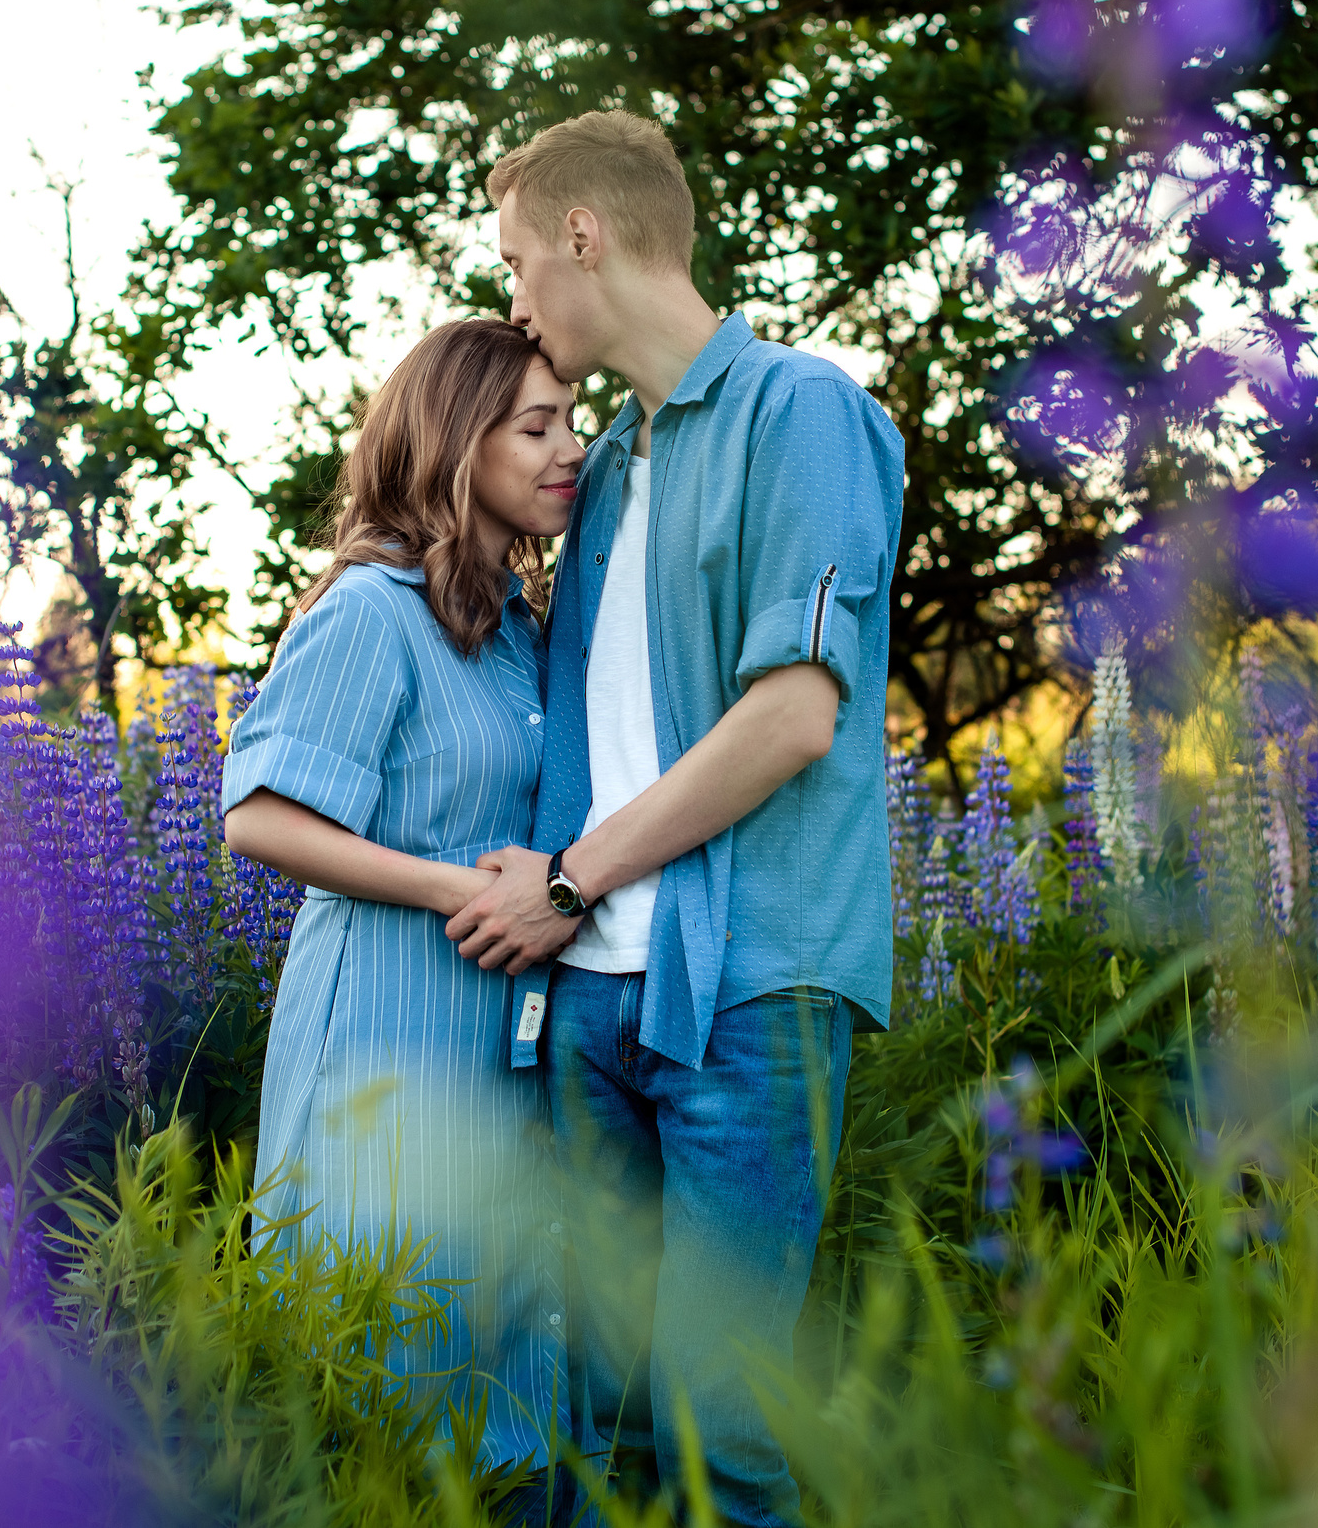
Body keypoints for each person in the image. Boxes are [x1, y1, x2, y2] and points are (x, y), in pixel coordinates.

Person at [447, 111, 906, 1525]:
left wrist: (571, 879)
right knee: (597, 1424)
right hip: (588, 1002)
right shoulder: (614, 476)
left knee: (722, 1430)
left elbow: (792, 716)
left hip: (752, 993)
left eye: (522, 260)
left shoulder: (802, 414)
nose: (515, 297)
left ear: (586, 237)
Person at [221, 317, 588, 1483]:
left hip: (497, 1043)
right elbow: (258, 814)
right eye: (535, 426)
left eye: (571, 420)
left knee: (505, 1363)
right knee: (388, 1366)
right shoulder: (371, 609)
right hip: (382, 1033)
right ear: (450, 439)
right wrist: (454, 888)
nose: (567, 447)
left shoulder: (523, 629)